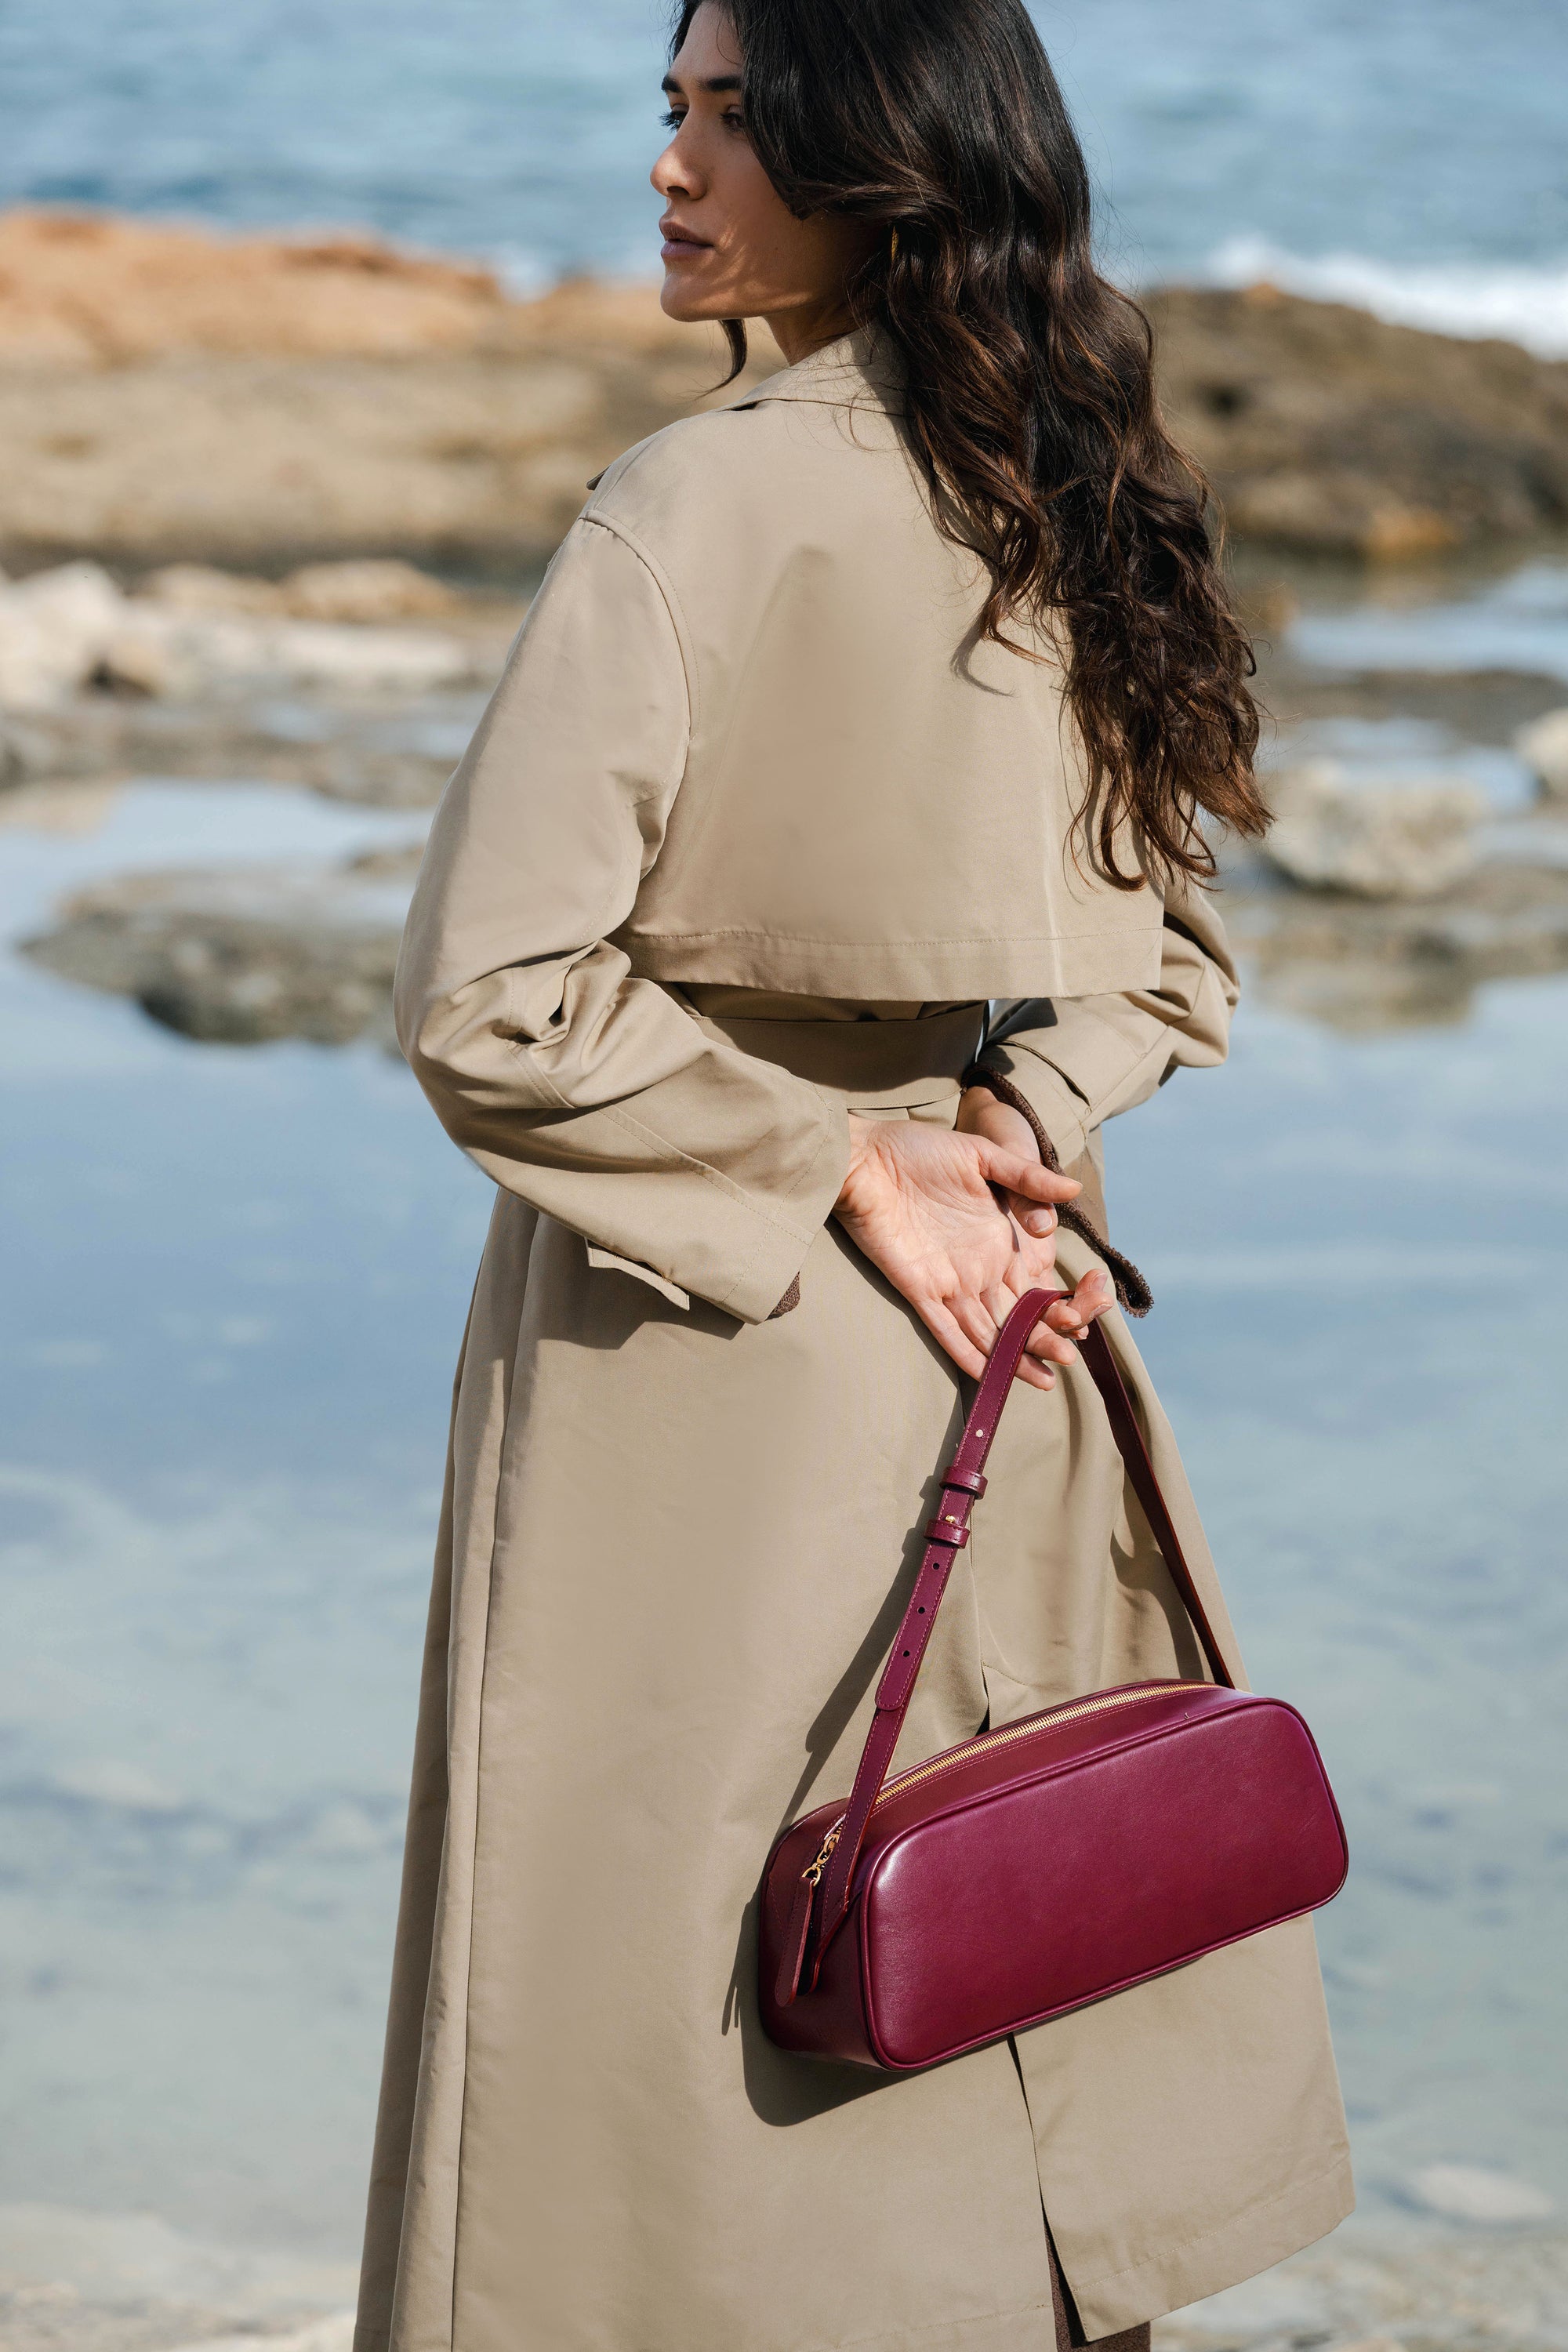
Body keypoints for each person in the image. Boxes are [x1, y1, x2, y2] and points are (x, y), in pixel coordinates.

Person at [354, 2, 1352, 2346]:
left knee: (652, 2007)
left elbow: (488, 995)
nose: (678, 170)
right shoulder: (1072, 473)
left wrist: (844, 1161)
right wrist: (999, 1142)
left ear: (875, 149)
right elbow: (1180, 953)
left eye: (737, 118)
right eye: (670, 114)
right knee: (988, 1911)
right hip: (1010, 1323)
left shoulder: (691, 503)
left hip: (708, 1335)